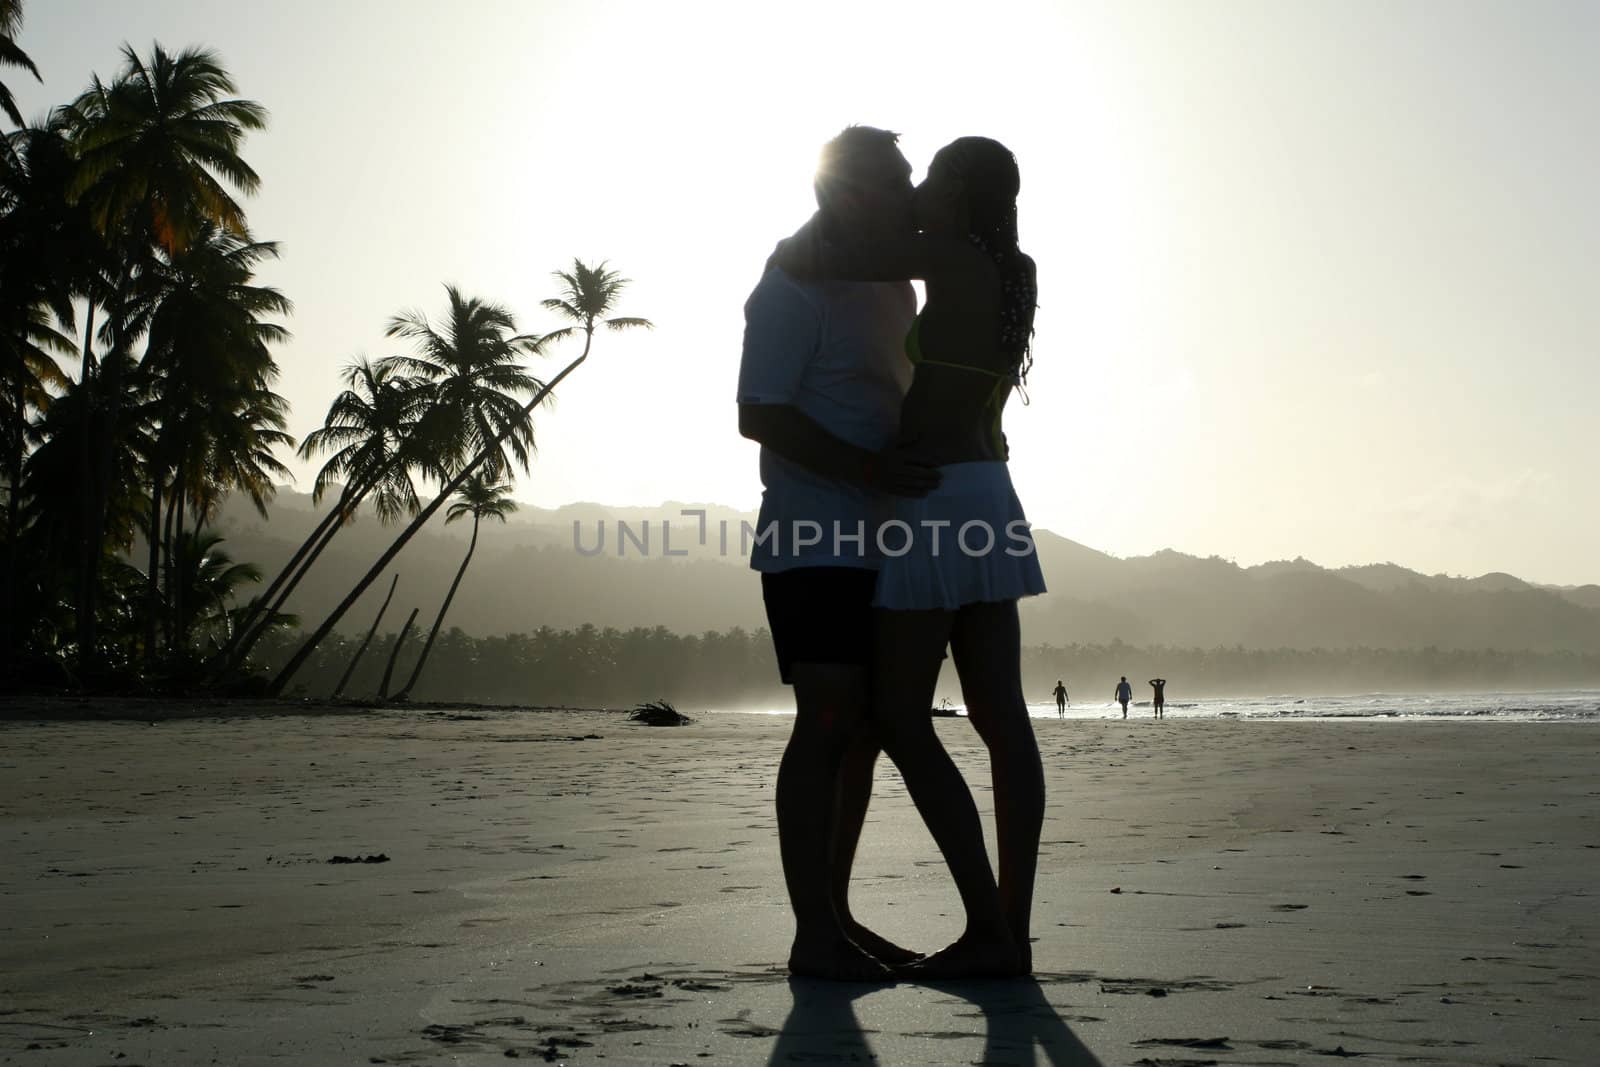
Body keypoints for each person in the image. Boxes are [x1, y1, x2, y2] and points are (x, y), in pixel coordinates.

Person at [776, 136, 1047, 978]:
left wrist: (806, 225)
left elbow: (834, 252)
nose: (919, 188)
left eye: (931, 176)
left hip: (934, 502)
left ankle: (985, 932)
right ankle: (1011, 929)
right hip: (992, 496)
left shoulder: (949, 256)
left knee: (898, 717)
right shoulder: (1015, 266)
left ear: (962, 191)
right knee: (1002, 719)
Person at [737, 126, 939, 980]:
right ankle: (814, 932)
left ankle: (833, 919)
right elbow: (760, 413)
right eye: (898, 180)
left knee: (860, 730)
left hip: (886, 533)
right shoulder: (788, 285)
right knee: (825, 718)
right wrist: (865, 467)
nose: (913, 192)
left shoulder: (894, 275)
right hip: (811, 527)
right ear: (852, 193)